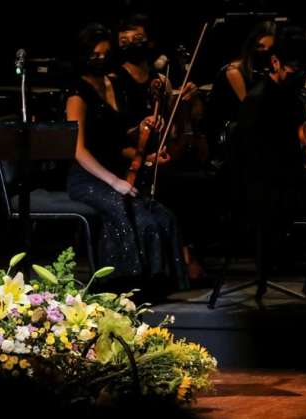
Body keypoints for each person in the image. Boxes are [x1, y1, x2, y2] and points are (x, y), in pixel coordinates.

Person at [65, 23, 186, 296]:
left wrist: (142, 126)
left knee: (159, 214)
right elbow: (78, 150)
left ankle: (156, 283)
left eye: (105, 54)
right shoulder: (77, 94)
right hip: (88, 178)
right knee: (121, 208)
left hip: (116, 171)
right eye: (94, 55)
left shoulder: (114, 83)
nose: (101, 59)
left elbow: (118, 134)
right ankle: (121, 286)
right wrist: (115, 182)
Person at [114, 13, 205, 286]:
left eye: (138, 39)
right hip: (127, 157)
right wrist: (144, 154)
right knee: (171, 184)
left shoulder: (160, 77)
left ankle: (184, 253)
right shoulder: (115, 81)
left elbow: (179, 126)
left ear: (150, 42)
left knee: (195, 180)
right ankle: (181, 258)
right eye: (124, 40)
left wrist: (189, 97)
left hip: (159, 154)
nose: (131, 44)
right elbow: (113, 135)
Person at [230, 25, 306, 280]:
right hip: (262, 185)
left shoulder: (291, 96)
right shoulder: (259, 100)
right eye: (295, 71)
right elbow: (254, 157)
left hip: (284, 177)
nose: (300, 77)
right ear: (275, 63)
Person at [206, 21, 276, 163]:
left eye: (270, 49)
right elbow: (250, 108)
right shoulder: (235, 71)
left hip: (254, 127)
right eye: (260, 47)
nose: (264, 53)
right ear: (252, 46)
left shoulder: (266, 70)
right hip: (232, 132)